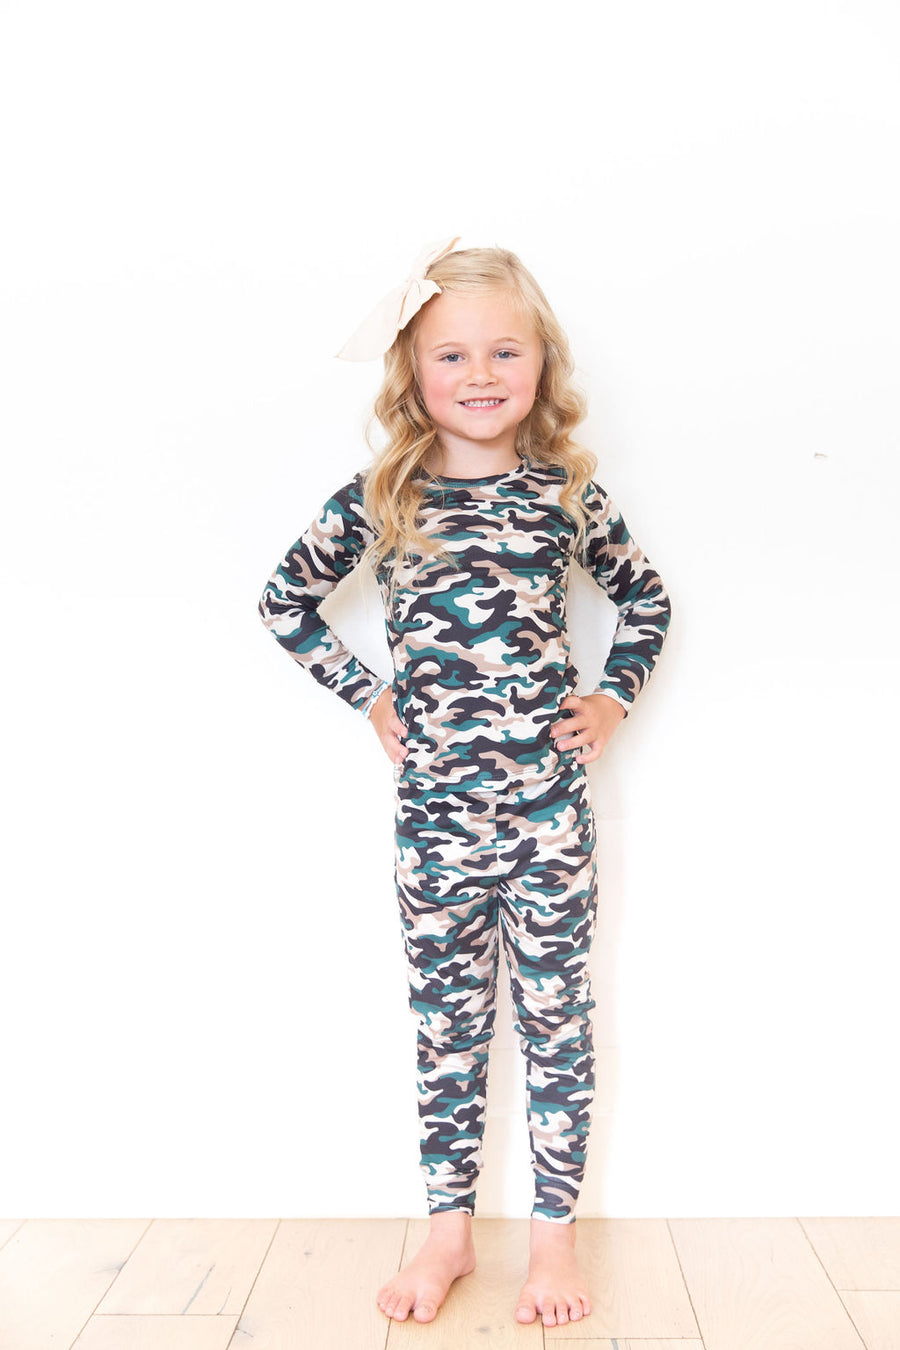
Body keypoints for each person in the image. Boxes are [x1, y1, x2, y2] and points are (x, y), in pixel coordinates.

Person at [258, 238, 671, 1328]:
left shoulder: (566, 495)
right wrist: (368, 695)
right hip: (435, 821)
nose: (480, 374)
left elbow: (647, 598)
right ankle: (448, 1235)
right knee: (448, 1027)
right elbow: (284, 600)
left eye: (504, 351)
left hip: (548, 820)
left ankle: (552, 1244)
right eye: (452, 355)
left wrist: (613, 698)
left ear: (542, 364)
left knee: (556, 1022)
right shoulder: (382, 498)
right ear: (413, 372)